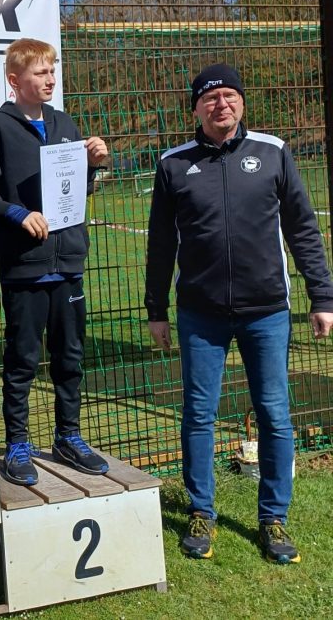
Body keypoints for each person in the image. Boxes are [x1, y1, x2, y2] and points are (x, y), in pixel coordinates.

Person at [145, 63, 333, 565]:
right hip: (200, 314)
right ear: (196, 108)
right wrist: (156, 309)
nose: (221, 104)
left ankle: (274, 517)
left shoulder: (273, 152)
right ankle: (201, 511)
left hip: (266, 311)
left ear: (242, 102)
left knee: (274, 413)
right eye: (210, 98)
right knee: (198, 414)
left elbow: (303, 228)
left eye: (229, 95)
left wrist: (322, 296)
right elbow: (160, 244)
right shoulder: (173, 164)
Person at [0, 38, 110, 486]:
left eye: (52, 70)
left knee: (71, 357)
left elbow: (73, 191)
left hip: (69, 264)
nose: (50, 79)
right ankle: (18, 443)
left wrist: (93, 165)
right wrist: (15, 212)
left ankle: (69, 436)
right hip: (25, 267)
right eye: (40, 72)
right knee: (23, 359)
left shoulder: (65, 124)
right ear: (14, 80)